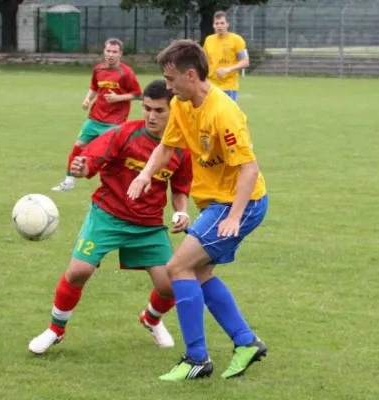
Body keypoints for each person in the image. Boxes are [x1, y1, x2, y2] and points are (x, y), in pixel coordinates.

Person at [127, 39, 268, 381]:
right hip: (216, 202)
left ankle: (196, 359)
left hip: (240, 202)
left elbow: (249, 169)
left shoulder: (224, 112)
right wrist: (145, 174)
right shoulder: (181, 104)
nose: (168, 86)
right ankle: (246, 342)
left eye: (171, 78)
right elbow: (167, 146)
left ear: (191, 75)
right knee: (199, 273)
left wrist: (234, 216)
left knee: (177, 268)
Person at [29, 80, 193, 355]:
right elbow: (90, 160)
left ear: (174, 110)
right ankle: (55, 330)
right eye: (147, 109)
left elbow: (179, 188)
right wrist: (81, 168)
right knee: (79, 271)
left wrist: (181, 211)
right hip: (108, 215)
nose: (151, 116)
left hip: (148, 225)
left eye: (159, 111)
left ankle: (151, 319)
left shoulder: (182, 148)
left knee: (170, 286)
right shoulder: (125, 133)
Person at [52, 38, 142, 192]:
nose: (111, 55)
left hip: (115, 122)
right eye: (108, 51)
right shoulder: (98, 69)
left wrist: (117, 98)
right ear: (104, 51)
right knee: (78, 147)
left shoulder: (126, 73)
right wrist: (88, 99)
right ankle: (69, 181)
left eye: (114, 52)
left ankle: (121, 185)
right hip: (94, 119)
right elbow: (94, 87)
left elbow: (138, 94)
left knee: (112, 157)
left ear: (120, 54)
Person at [202, 11, 249, 102]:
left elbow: (245, 61)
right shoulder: (209, 40)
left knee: (226, 115)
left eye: (222, 23)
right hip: (211, 86)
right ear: (213, 25)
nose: (220, 26)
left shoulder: (237, 40)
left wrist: (229, 69)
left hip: (228, 86)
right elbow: (204, 60)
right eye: (217, 23)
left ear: (227, 24)